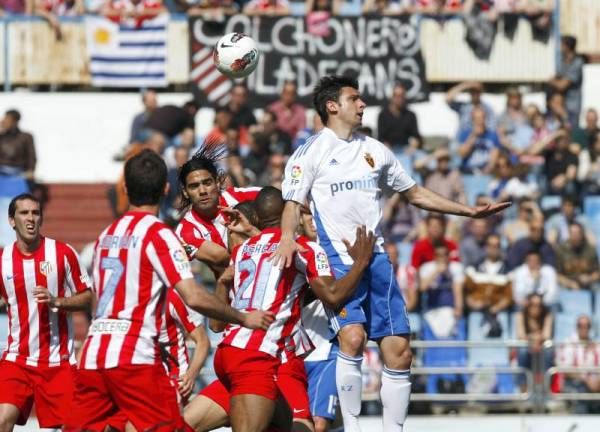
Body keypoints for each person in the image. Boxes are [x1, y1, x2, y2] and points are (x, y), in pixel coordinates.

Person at [275, 75, 509, 432]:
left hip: (379, 257)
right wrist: (287, 237)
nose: (363, 104)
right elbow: (292, 203)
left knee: (400, 349)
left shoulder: (376, 150)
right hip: (338, 258)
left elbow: (415, 193)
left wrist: (468, 211)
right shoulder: (309, 152)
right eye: (355, 98)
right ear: (332, 106)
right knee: (352, 338)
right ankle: (352, 427)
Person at [64, 150, 273, 431]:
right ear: (166, 189)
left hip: (94, 352)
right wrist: (244, 317)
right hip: (132, 355)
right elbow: (194, 296)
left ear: (125, 189)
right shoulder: (160, 234)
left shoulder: (106, 236)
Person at [188, 187, 375, 432]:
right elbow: (332, 295)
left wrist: (251, 231)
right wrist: (361, 262)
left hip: (230, 351)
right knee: (303, 427)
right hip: (260, 356)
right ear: (291, 212)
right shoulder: (301, 247)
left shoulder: (244, 249)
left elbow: (268, 250)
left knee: (185, 424)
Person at [0, 193, 93, 430]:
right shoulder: (3, 259)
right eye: (24, 213)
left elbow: (89, 297)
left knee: (73, 427)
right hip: (17, 358)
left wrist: (58, 301)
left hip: (56, 361)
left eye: (35, 213)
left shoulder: (62, 253)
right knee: (1, 419)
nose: (31, 219)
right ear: (12, 220)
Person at [175, 145, 261, 278]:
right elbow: (223, 258)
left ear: (218, 183)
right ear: (185, 192)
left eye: (207, 183)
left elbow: (278, 199)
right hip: (233, 293)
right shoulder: (186, 232)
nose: (202, 191)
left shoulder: (238, 196)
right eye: (194, 186)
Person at [159, 288, 210, 406]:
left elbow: (203, 341)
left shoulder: (173, 297)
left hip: (172, 378)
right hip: (141, 375)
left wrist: (190, 375)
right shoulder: (129, 298)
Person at [555, 314, 600, 413]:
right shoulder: (568, 344)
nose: (584, 328)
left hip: (594, 383)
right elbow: (566, 370)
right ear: (576, 327)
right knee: (582, 392)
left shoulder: (596, 346)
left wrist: (597, 382)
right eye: (580, 325)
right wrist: (587, 379)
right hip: (573, 383)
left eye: (587, 326)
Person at [464, 233, 512, 314]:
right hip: (477, 311)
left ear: (500, 248)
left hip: (499, 312)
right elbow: (467, 292)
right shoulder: (474, 268)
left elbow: (509, 296)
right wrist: (474, 304)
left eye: (496, 246)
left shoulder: (507, 270)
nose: (493, 248)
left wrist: (497, 307)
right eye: (490, 245)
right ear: (486, 247)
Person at [515, 293, 554, 388]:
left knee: (548, 350)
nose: (536, 308)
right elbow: (521, 335)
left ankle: (546, 386)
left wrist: (533, 338)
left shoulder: (547, 315)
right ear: (528, 305)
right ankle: (523, 388)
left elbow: (547, 335)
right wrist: (535, 338)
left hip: (541, 347)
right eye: (533, 305)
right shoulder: (520, 315)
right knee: (523, 350)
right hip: (528, 346)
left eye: (539, 305)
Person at [549, 35, 584, 128]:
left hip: (572, 106)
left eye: (561, 45)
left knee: (571, 130)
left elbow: (562, 85)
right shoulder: (563, 61)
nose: (560, 47)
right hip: (561, 104)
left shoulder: (577, 63)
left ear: (567, 46)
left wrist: (552, 81)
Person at [377, 83, 422, 153]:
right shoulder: (383, 115)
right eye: (397, 96)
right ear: (392, 97)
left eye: (402, 96)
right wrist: (389, 151)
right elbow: (381, 139)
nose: (399, 99)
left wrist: (412, 147)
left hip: (407, 149)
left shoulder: (411, 115)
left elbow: (416, 137)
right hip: (389, 150)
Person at [555, 222, 600, 291]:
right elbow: (557, 275)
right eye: (572, 233)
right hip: (568, 284)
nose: (574, 236)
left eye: (577, 233)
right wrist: (569, 283)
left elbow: (597, 273)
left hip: (588, 284)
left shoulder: (590, 250)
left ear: (582, 234)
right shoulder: (561, 250)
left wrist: (589, 279)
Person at [457, 106, 502, 174]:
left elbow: (494, 156)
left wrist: (487, 170)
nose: (480, 121)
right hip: (468, 171)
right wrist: (473, 135)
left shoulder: (493, 135)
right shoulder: (465, 134)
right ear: (472, 120)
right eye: (477, 119)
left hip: (485, 171)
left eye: (482, 118)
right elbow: (462, 154)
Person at [0, 109, 36, 181]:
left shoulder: (25, 137)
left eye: (7, 119)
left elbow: (31, 155)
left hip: (18, 170)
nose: (4, 121)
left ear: (15, 121)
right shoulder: (1, 137)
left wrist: (30, 170)